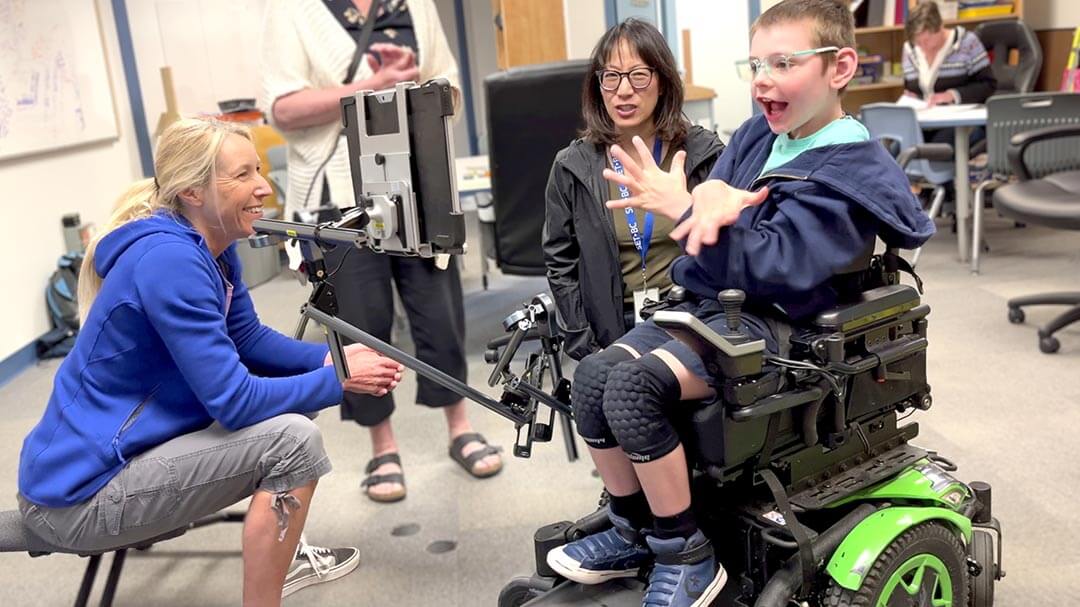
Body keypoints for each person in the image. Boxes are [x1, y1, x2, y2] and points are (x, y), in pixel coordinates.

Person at [544, 2, 935, 606]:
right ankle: (633, 526)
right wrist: (704, 217)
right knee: (594, 377)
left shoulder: (851, 175)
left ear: (840, 68)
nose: (762, 79)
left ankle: (687, 554)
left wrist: (691, 214)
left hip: (787, 331)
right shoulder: (759, 135)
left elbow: (778, 271)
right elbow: (706, 250)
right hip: (720, 306)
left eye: (784, 62)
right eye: (755, 64)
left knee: (631, 389)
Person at [16, 118, 406, 607]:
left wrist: (338, 358)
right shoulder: (171, 261)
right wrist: (341, 379)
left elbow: (248, 339)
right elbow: (235, 402)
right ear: (192, 192)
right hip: (81, 495)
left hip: (104, 465)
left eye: (258, 170)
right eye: (242, 175)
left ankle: (276, 552)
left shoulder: (212, 248)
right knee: (292, 441)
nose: (264, 186)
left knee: (294, 404)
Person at [260, 0, 501, 504]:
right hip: (338, 194)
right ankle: (382, 446)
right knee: (359, 324)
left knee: (440, 312)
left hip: (417, 184)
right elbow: (281, 109)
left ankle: (460, 427)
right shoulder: (294, 11)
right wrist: (366, 89)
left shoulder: (414, 5)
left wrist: (413, 85)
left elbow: (449, 88)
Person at [544, 19, 723, 362]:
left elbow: (730, 242)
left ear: (663, 82)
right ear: (598, 86)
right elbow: (560, 263)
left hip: (689, 323)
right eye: (611, 77)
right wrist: (585, 343)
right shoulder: (572, 166)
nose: (623, 91)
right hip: (611, 330)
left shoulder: (701, 154)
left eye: (638, 75)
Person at [901, 1, 996, 108]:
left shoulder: (967, 43)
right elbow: (911, 89)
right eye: (917, 42)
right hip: (922, 120)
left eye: (926, 40)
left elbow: (988, 86)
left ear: (940, 27)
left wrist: (953, 95)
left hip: (961, 120)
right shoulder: (909, 49)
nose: (922, 47)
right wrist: (911, 97)